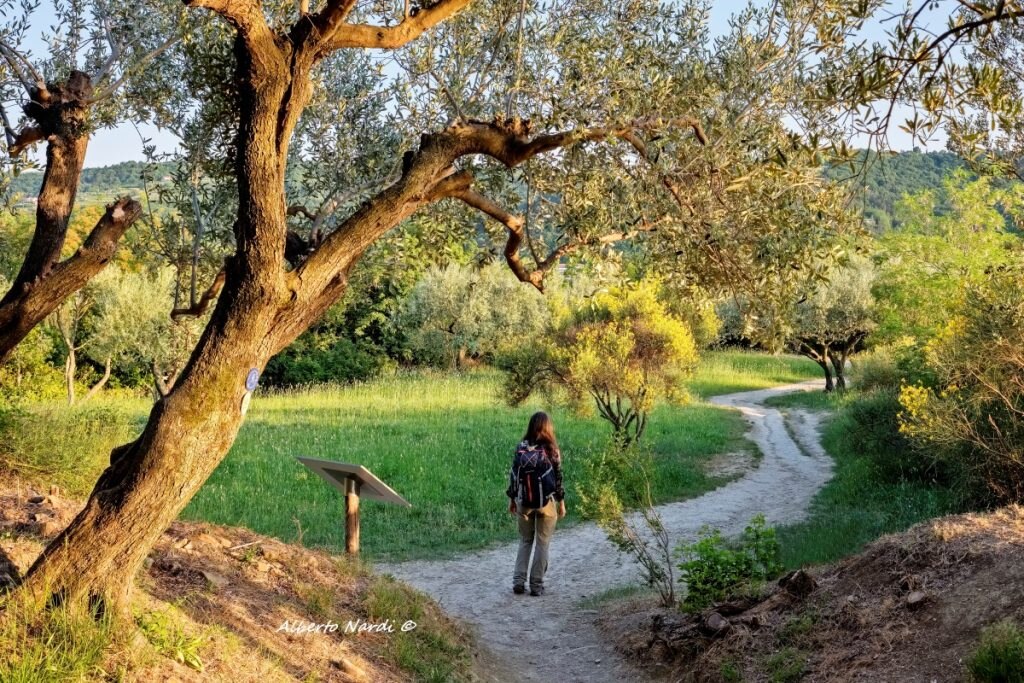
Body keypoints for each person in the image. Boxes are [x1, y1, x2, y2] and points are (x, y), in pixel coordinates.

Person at [506, 411, 566, 596]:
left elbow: (514, 475)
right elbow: (557, 478)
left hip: (524, 502)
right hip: (545, 503)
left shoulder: (521, 448)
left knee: (525, 541)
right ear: (548, 428)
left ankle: (518, 582)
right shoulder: (551, 449)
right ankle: (536, 585)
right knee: (542, 542)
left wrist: (512, 499)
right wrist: (561, 502)